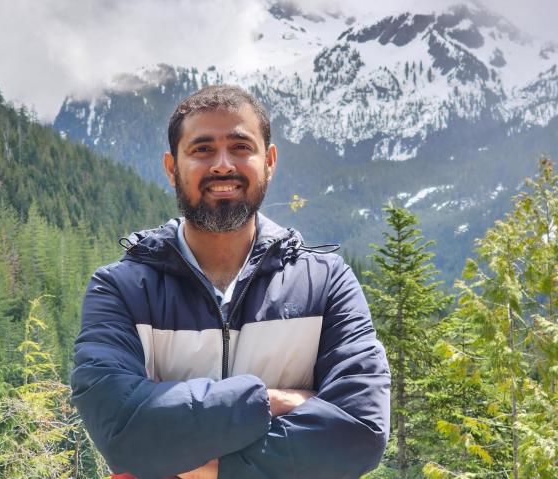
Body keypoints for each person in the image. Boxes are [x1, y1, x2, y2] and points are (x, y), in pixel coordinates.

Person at [71, 85, 390, 479]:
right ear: (172, 167)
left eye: (241, 147)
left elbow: (359, 433)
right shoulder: (121, 290)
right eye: (202, 149)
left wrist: (216, 468)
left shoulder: (326, 284)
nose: (222, 165)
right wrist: (267, 400)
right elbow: (121, 431)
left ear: (269, 161)